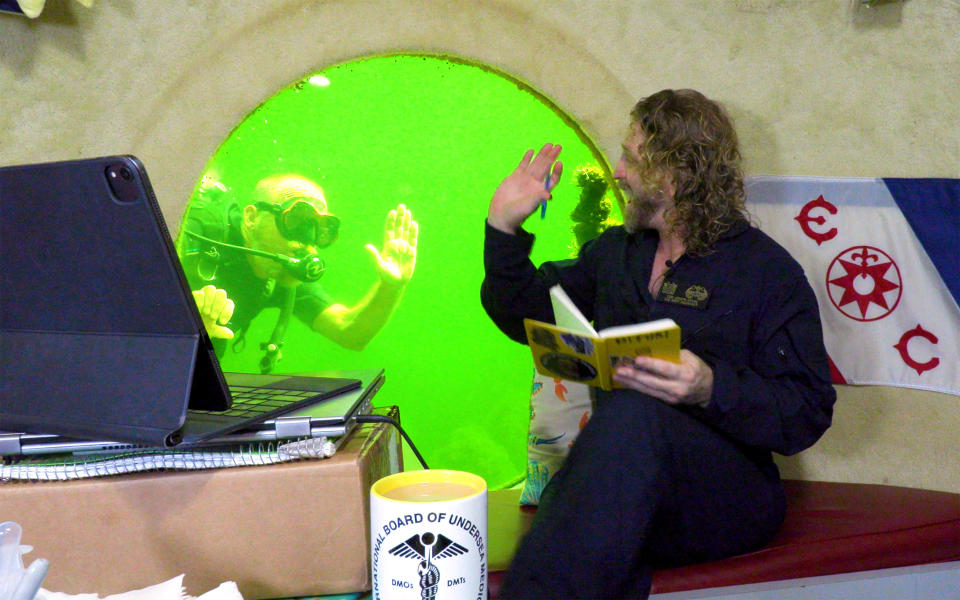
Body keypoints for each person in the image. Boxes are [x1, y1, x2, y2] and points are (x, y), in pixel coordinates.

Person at [481, 89, 836, 598]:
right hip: (624, 486)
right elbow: (526, 318)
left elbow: (807, 411)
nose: (619, 171)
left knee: (632, 417)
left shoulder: (766, 272)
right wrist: (503, 227)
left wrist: (711, 387)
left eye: (630, 157)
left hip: (723, 495)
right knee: (596, 502)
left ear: (675, 176)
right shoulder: (614, 253)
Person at [178, 173, 418, 373]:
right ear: (251, 218)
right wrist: (182, 317)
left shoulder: (281, 273)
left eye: (319, 230)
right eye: (296, 222)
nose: (307, 243)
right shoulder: (195, 230)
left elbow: (350, 332)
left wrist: (391, 285)